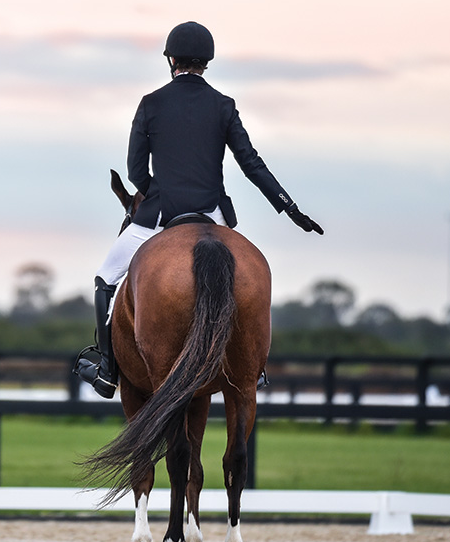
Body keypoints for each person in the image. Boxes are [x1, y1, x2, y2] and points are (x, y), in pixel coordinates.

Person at [74, 21, 324, 398]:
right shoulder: (224, 106)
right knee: (243, 277)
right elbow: (251, 164)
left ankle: (108, 369)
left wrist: (156, 192)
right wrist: (290, 209)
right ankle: (252, 367)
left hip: (159, 214)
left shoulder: (151, 103)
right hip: (214, 214)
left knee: (105, 279)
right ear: (206, 62)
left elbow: (135, 172)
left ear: (170, 59)